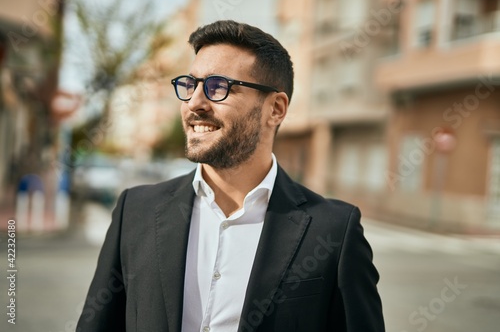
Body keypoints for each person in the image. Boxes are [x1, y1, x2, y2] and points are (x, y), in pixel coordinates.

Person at [76, 20, 385, 332]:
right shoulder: (136, 211)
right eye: (190, 84)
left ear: (275, 109)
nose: (195, 103)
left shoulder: (333, 231)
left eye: (218, 87)